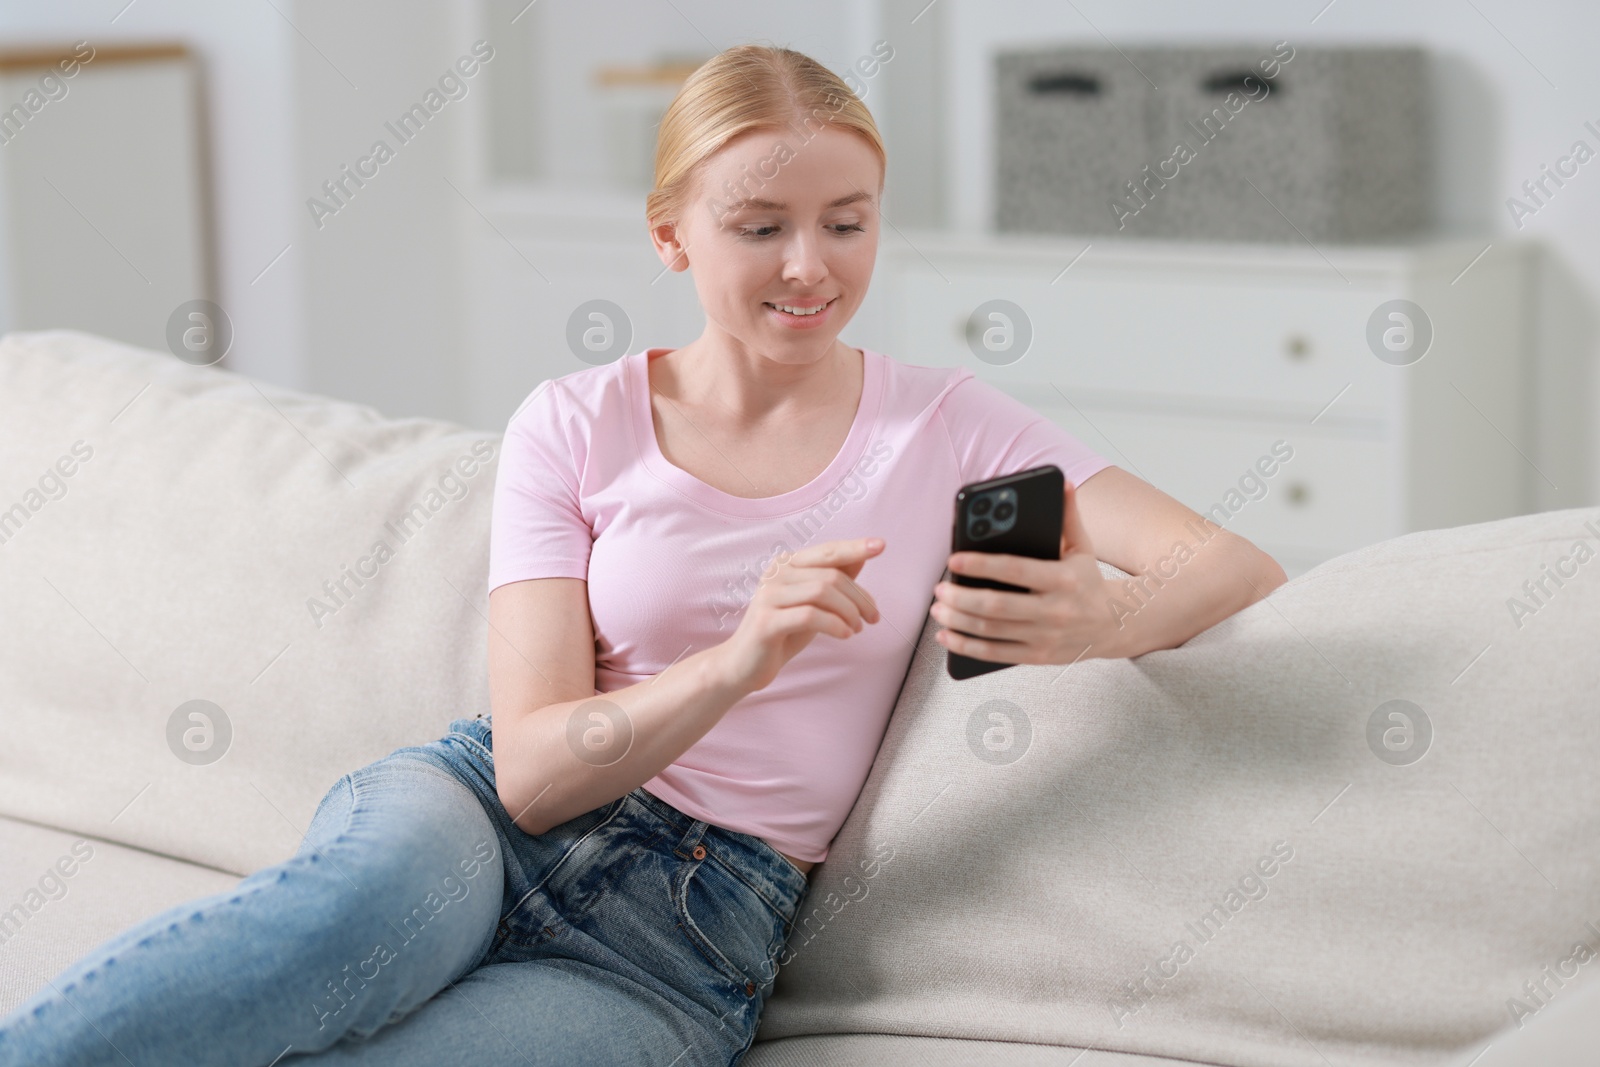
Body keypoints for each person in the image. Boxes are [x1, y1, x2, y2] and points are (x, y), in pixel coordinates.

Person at [0, 43, 1286, 1067]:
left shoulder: (949, 423)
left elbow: (1227, 560)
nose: (809, 266)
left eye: (846, 221)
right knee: (320, 936)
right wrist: (738, 661)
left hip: (676, 943)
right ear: (673, 235)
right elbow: (539, 768)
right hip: (482, 824)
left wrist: (1103, 623)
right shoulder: (575, 419)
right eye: (759, 224)